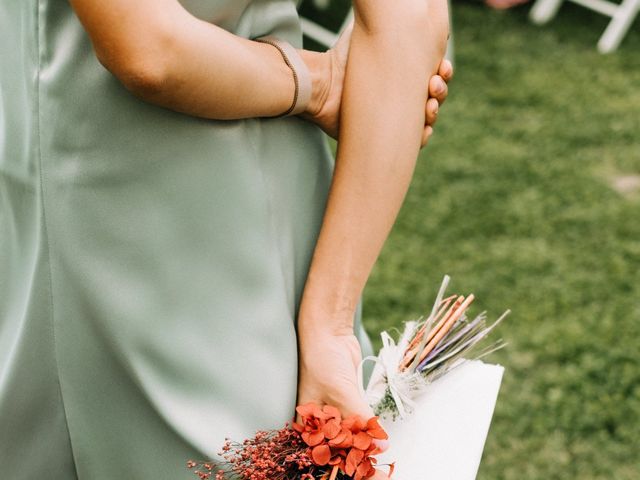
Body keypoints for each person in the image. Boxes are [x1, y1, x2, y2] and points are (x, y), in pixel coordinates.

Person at [0, 0, 451, 478]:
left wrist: (328, 326)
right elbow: (149, 50)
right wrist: (312, 82)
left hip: (176, 233)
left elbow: (151, 48)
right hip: (213, 216)